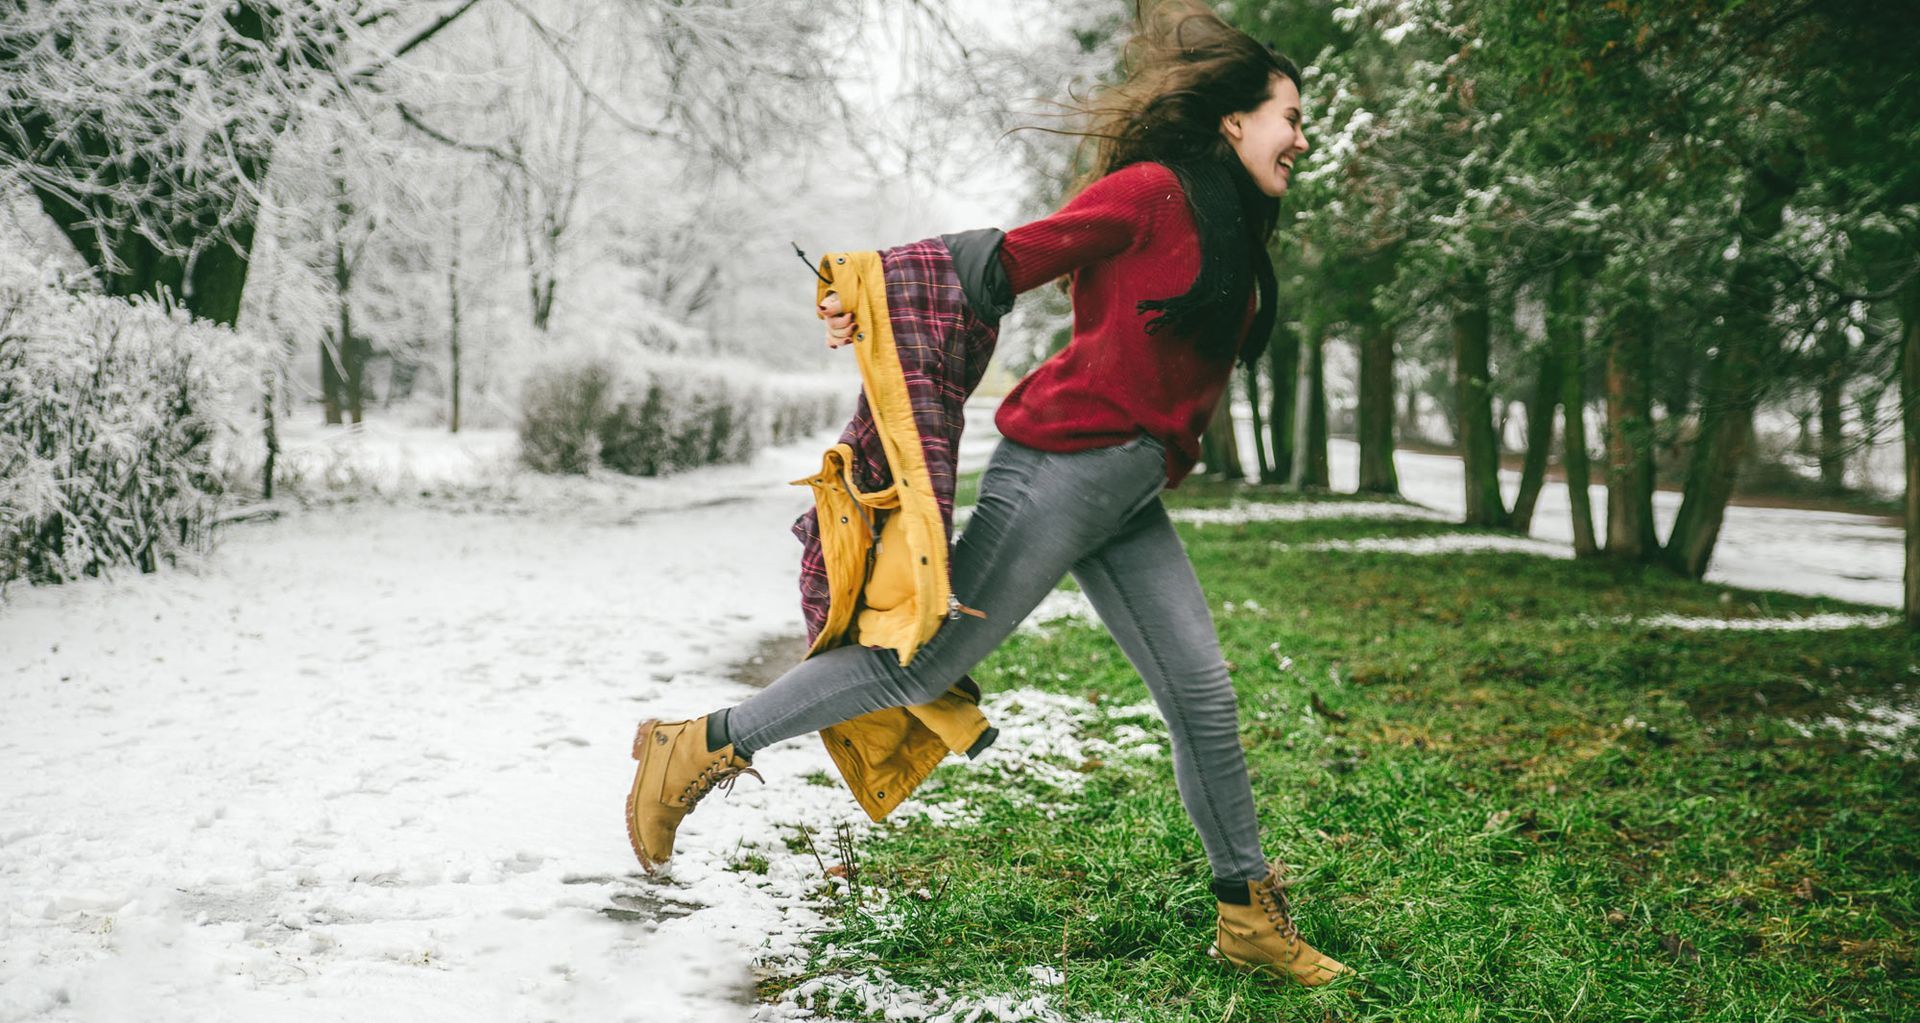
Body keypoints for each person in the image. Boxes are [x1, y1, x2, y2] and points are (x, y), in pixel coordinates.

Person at [624, 0, 1350, 988]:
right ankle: (696, 744)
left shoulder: (1225, 216)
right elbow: (1002, 262)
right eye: (1290, 118)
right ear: (1234, 120)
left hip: (1126, 486)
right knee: (919, 665)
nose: (1302, 139)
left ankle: (1249, 920)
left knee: (1202, 697)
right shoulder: (1150, 193)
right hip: (1066, 467)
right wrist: (862, 288)